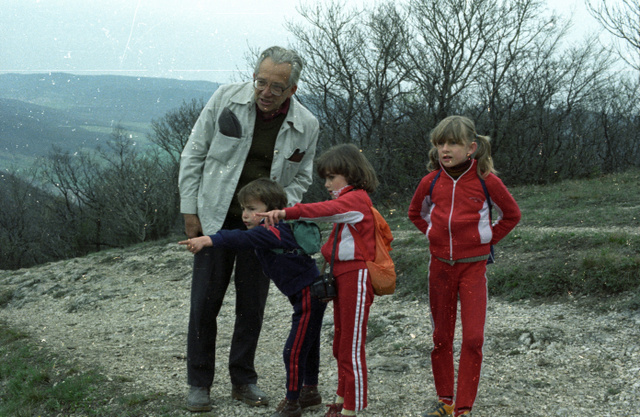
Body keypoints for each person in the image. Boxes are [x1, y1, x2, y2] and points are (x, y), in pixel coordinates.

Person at [178, 45, 319, 412]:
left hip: (265, 228)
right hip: (215, 216)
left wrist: (277, 212)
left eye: (277, 86)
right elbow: (194, 152)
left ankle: (243, 379)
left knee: (251, 306)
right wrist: (189, 209)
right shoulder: (226, 98)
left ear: (293, 89)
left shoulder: (306, 125)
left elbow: (302, 176)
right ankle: (199, 383)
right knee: (204, 303)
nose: (266, 92)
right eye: (261, 82)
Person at [179, 178, 327, 417]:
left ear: (272, 211)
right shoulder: (273, 230)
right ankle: (310, 392)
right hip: (310, 295)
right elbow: (242, 236)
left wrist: (207, 239)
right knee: (308, 345)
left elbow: (240, 238)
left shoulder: (271, 232)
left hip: (309, 297)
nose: (245, 215)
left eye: (252, 209)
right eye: (244, 209)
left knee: (295, 350)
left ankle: (292, 403)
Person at [407, 116, 521, 417]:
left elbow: (511, 215)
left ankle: (464, 408)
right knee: (441, 337)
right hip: (440, 267)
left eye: (454, 143)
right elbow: (415, 214)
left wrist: (485, 240)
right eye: (440, 143)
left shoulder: (487, 180)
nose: (446, 149)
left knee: (473, 338)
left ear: (471, 148)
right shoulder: (429, 181)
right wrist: (433, 234)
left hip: (473, 268)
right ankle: (446, 401)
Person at [260, 143, 379, 417]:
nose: (326, 183)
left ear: (350, 173)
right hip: (342, 274)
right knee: (340, 342)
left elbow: (323, 210)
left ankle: (351, 407)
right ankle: (341, 397)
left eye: (331, 177)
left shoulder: (355, 199)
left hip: (356, 275)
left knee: (350, 343)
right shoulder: (350, 199)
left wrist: (285, 213)